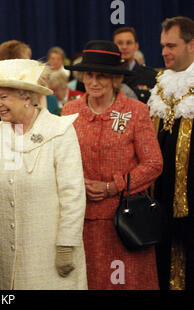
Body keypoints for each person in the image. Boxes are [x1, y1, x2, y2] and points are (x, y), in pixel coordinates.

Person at [0, 59, 87, 289]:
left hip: (51, 254)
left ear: (27, 97)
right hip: (10, 254)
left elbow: (73, 195)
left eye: (4, 97)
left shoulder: (59, 131)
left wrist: (66, 245)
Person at [62, 41, 163, 290]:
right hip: (82, 221)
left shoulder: (135, 111)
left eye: (102, 76)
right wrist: (76, 183)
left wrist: (112, 186)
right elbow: (60, 161)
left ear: (115, 79)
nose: (94, 82)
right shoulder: (69, 111)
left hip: (125, 222)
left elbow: (153, 163)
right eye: (89, 75)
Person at [148, 16, 194, 290]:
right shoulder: (160, 84)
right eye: (163, 45)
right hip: (160, 199)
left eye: (172, 45)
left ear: (192, 45)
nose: (164, 52)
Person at [113, 27, 157, 103]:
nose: (124, 47)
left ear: (136, 46)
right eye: (120, 43)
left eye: (129, 43)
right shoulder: (108, 76)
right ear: (113, 47)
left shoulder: (152, 76)